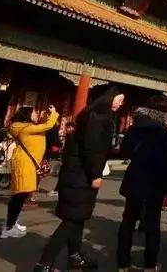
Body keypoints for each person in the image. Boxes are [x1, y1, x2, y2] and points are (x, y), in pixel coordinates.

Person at [35, 87, 124, 272]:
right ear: (109, 98)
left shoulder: (94, 115)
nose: (121, 104)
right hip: (80, 175)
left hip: (77, 173)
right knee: (71, 220)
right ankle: (44, 264)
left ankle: (74, 256)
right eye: (119, 99)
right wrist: (95, 173)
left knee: (78, 217)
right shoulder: (98, 118)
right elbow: (92, 148)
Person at [117, 94, 167, 272]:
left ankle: (123, 263)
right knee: (152, 223)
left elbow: (124, 152)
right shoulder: (163, 132)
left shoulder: (133, 128)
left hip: (135, 177)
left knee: (128, 221)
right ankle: (150, 264)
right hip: (155, 180)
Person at [2, 105, 59, 238]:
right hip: (24, 163)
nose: (36, 114)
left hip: (27, 162)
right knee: (19, 196)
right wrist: (54, 113)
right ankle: (8, 228)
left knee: (21, 195)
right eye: (34, 112)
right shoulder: (25, 128)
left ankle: (12, 222)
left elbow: (43, 125)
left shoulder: (26, 127)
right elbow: (47, 126)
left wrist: (47, 116)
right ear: (27, 115)